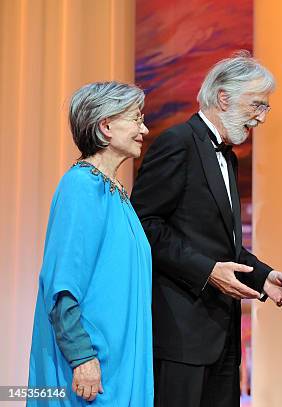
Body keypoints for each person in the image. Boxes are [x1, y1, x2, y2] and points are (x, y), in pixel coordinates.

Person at [130, 51, 282, 407]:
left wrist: (262, 277)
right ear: (224, 98)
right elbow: (144, 225)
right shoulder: (178, 143)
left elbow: (224, 246)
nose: (262, 117)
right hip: (180, 334)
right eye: (257, 105)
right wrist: (207, 272)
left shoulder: (228, 156)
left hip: (222, 336)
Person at [27, 81, 153, 405]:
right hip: (92, 376)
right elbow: (62, 285)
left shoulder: (116, 195)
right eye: (136, 119)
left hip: (118, 368)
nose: (145, 128)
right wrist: (82, 357)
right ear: (106, 125)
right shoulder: (82, 187)